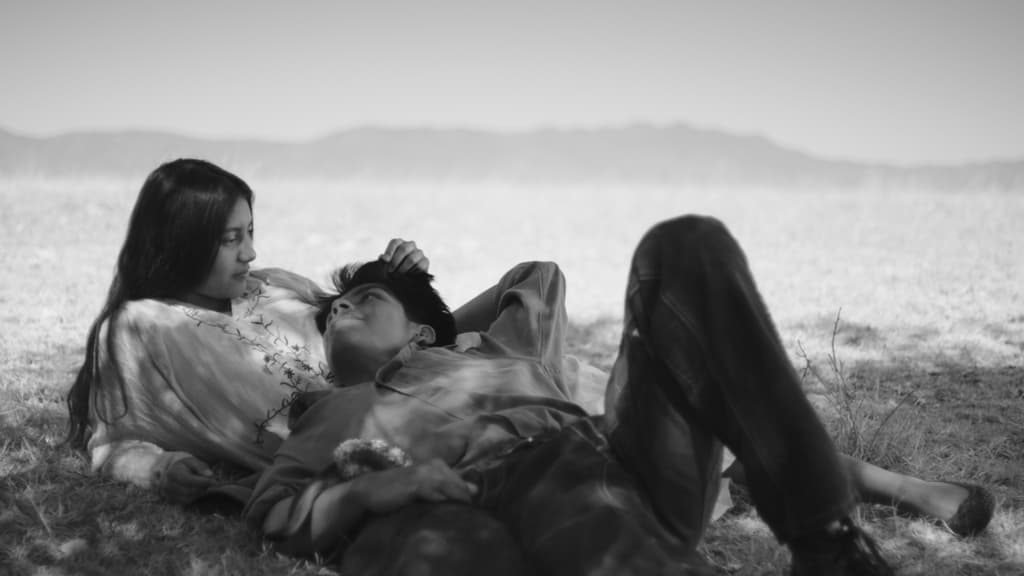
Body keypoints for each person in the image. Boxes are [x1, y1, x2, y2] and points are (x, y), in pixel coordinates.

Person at [246, 216, 913, 575]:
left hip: (617, 454)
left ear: (420, 332)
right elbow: (271, 511)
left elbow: (537, 275)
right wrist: (369, 491)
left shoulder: (496, 347)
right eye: (332, 312)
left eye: (366, 299)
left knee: (685, 245)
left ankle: (824, 540)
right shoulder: (330, 409)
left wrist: (425, 304)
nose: (341, 309)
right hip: (491, 490)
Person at [64, 158, 432, 504]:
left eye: (250, 232)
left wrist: (404, 276)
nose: (250, 253)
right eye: (231, 239)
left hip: (418, 404)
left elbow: (367, 325)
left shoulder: (274, 284)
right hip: (358, 451)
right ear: (182, 243)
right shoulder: (140, 326)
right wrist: (160, 469)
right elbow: (113, 444)